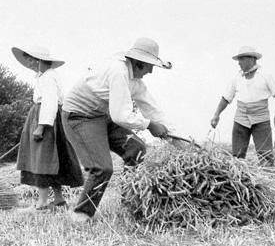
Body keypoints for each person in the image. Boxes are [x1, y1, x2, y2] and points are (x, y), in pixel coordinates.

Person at [62, 37, 172, 222]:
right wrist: (150, 125)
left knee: (136, 149)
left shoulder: (135, 82)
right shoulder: (118, 71)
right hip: (79, 115)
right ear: (138, 62)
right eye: (149, 66)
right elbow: (121, 116)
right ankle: (81, 214)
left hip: (100, 115)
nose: (151, 71)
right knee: (102, 167)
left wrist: (174, 137)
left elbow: (153, 110)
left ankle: (130, 200)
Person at [13, 46, 83, 211]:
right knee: (52, 159)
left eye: (30, 59)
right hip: (47, 118)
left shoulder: (48, 78)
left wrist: (41, 126)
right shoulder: (45, 76)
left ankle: (42, 203)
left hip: (46, 119)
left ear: (39, 60)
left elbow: (50, 102)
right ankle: (58, 200)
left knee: (42, 159)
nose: (28, 63)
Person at [210, 46, 275, 166]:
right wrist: (216, 114)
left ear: (252, 59)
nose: (239, 63)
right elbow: (226, 98)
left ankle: (268, 177)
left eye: (241, 59)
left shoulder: (265, 75)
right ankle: (238, 178)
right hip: (241, 119)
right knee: (237, 155)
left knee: (265, 154)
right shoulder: (237, 78)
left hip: (261, 118)